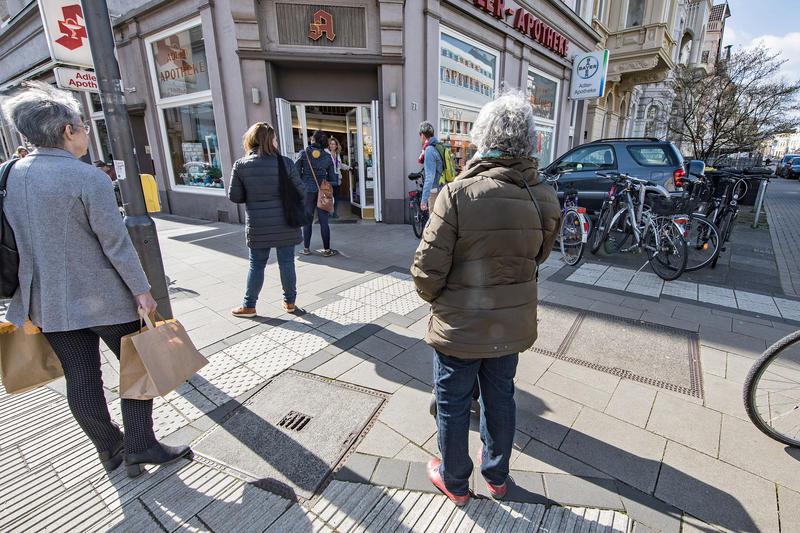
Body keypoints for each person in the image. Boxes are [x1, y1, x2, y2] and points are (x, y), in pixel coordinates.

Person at [0, 82, 191, 477]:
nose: (86, 133)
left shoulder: (10, 175)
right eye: (83, 126)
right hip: (105, 298)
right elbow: (116, 243)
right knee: (139, 365)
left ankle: (110, 447)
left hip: (46, 301)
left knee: (82, 378)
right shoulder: (88, 177)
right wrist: (142, 290)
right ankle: (141, 444)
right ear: (67, 130)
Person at [411, 91, 561, 506]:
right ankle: (496, 476)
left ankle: (455, 482)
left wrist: (438, 299)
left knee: (453, 403)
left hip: (460, 326)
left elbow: (426, 269)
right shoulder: (543, 196)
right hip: (509, 325)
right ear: (528, 140)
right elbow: (538, 256)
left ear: (483, 137)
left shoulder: (458, 194)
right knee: (501, 398)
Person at [228, 122, 306, 317]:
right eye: (275, 138)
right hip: (286, 222)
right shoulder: (285, 163)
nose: (276, 142)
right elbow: (301, 191)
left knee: (256, 265)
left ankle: (249, 306)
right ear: (270, 140)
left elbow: (235, 196)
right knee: (287, 263)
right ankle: (290, 303)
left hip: (258, 225)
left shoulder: (241, 165)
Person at [295, 130, 337, 257]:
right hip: (322, 192)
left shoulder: (303, 153)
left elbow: (296, 174)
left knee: (307, 220)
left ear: (313, 140)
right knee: (324, 221)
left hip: (307, 191)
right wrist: (324, 182)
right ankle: (327, 250)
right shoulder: (327, 157)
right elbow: (333, 179)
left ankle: (306, 249)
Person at [418, 121, 444, 213]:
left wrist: (424, 200)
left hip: (434, 191)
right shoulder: (439, 147)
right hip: (442, 188)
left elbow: (430, 177)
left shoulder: (429, 150)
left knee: (434, 219)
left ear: (422, 135)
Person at [326, 136, 350, 219]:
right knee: (328, 196)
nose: (332, 145)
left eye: (334, 144)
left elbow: (340, 165)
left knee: (336, 197)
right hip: (329, 178)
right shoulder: (326, 154)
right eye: (331, 144)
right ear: (329, 145)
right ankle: (328, 212)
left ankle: (334, 212)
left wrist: (349, 167)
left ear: (336, 146)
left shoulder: (337, 155)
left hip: (337, 178)